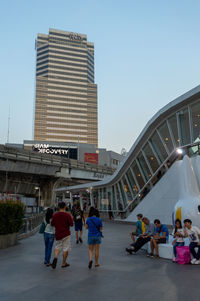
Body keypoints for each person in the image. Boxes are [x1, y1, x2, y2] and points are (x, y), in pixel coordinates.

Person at [51, 202, 73, 269]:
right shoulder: (67, 215)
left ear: (58, 207)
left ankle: (55, 257)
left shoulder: (55, 215)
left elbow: (52, 224)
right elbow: (71, 224)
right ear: (65, 207)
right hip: (66, 234)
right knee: (65, 248)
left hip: (58, 234)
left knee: (57, 247)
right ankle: (63, 263)